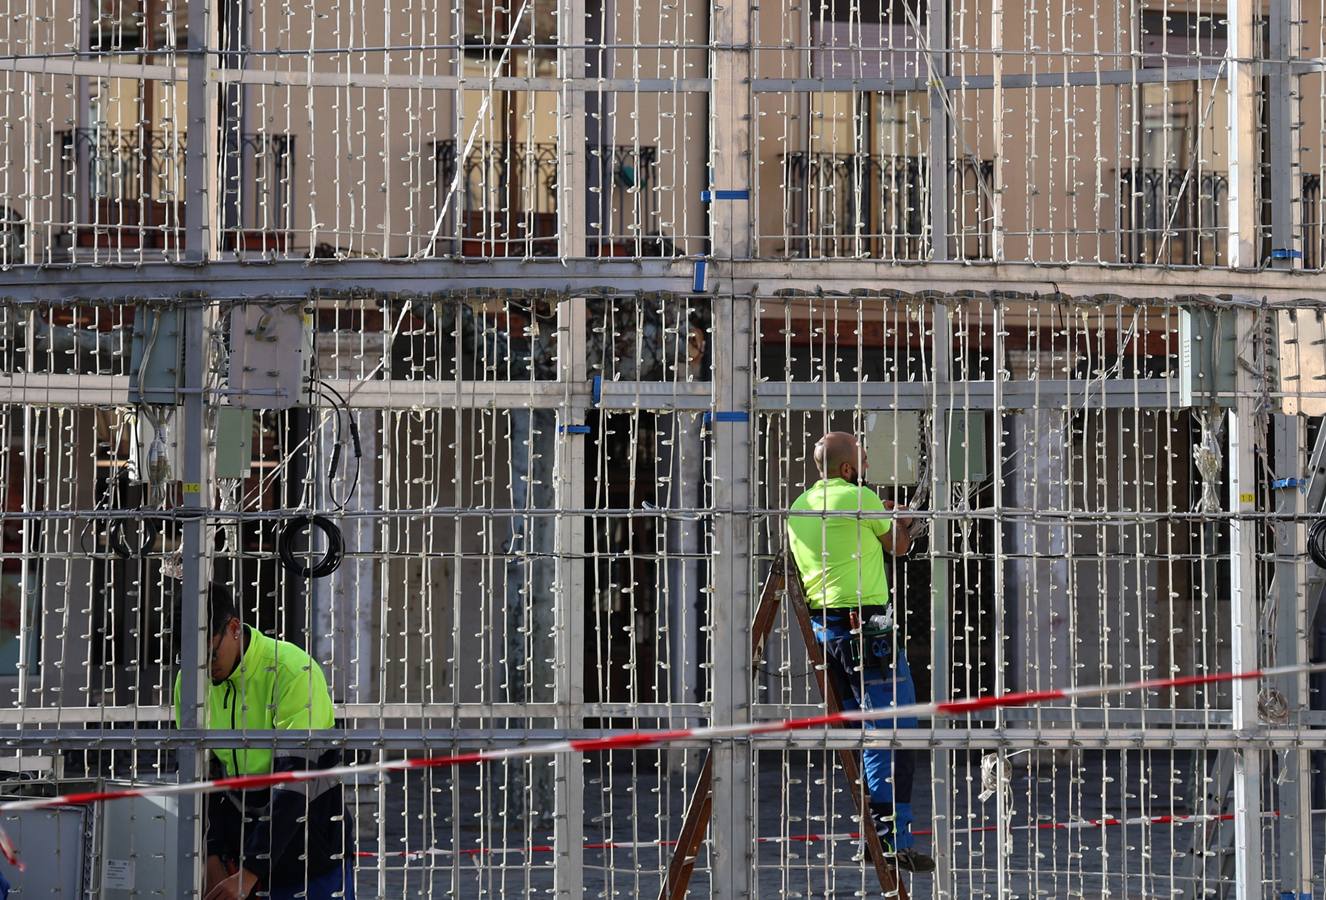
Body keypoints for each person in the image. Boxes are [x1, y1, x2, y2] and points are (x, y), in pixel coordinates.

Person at [786, 431, 935, 874]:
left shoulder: (798, 508)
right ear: (848, 468)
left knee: (861, 735)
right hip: (869, 633)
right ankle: (891, 839)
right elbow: (899, 546)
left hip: (826, 635)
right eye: (864, 461)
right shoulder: (860, 497)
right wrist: (903, 520)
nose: (867, 468)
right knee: (894, 732)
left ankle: (875, 835)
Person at [174, 584, 355, 900]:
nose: (203, 668)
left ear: (233, 628)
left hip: (312, 859)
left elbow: (295, 784)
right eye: (191, 660)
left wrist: (251, 871)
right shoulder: (190, 683)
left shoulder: (291, 670)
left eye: (209, 654)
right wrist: (212, 856)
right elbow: (201, 778)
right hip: (239, 862)